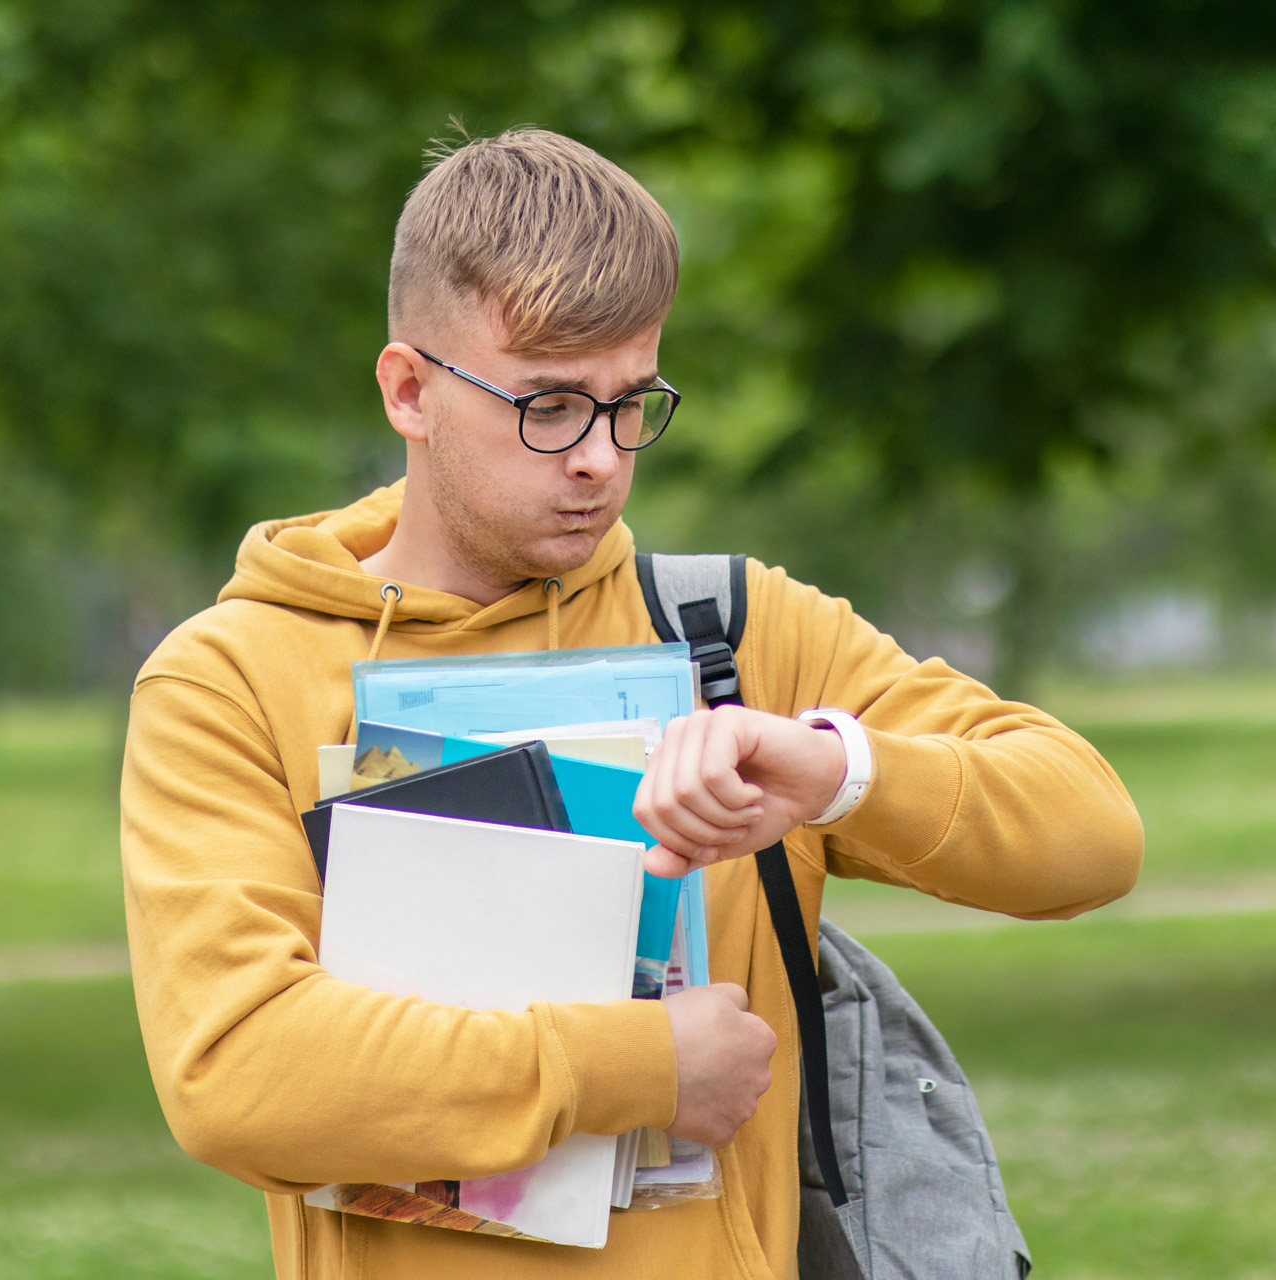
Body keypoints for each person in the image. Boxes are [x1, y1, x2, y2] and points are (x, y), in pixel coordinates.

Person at [120, 127, 1142, 1280]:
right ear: (409, 390)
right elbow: (239, 1070)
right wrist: (645, 1066)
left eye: (631, 403)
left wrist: (833, 768)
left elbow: (1092, 838)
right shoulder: (230, 679)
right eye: (548, 405)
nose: (600, 458)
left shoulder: (734, 632)